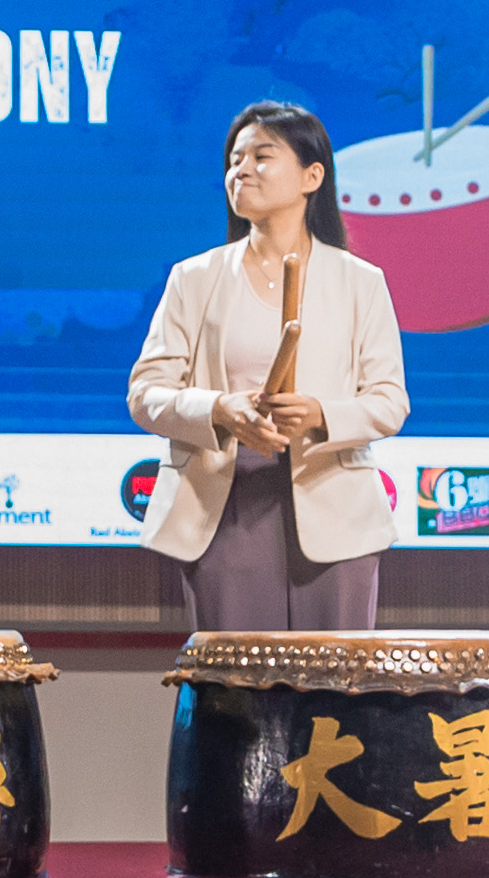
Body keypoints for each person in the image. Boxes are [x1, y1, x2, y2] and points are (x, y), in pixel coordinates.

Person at [127, 101, 410, 632]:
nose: (242, 170)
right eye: (235, 160)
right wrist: (220, 409)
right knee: (237, 700)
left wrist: (320, 414)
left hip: (335, 512)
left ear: (312, 175)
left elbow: (389, 401)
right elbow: (146, 392)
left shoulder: (360, 281)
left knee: (334, 700)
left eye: (262, 156)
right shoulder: (194, 278)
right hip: (225, 509)